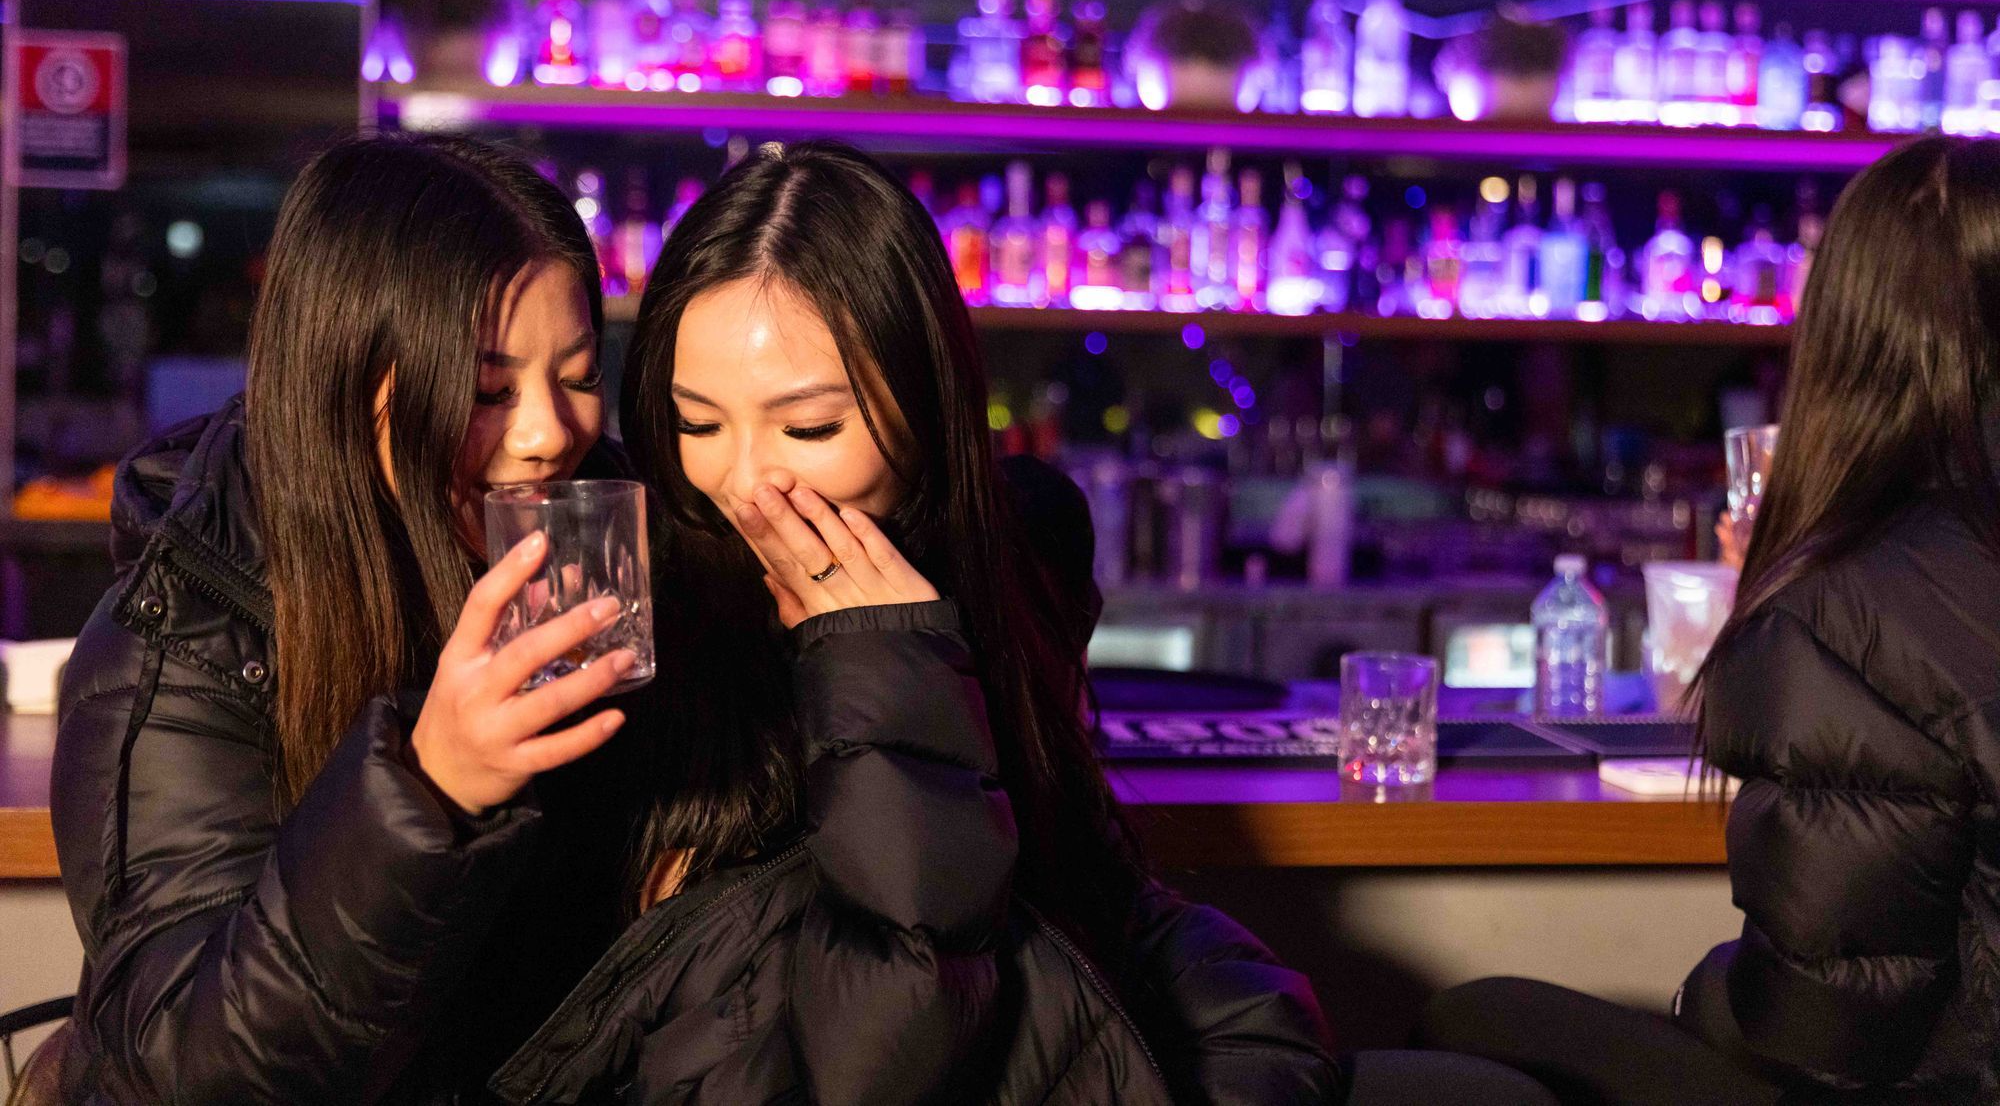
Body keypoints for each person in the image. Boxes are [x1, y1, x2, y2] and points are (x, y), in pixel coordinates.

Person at [491, 141, 1556, 1106]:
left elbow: (1077, 886)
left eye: (808, 424)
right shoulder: (629, 590)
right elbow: (868, 1041)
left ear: (924, 405)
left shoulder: (1009, 547)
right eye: (694, 422)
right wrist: (875, 654)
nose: (743, 479)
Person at [51, 134, 646, 1104]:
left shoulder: (597, 553)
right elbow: (196, 1067)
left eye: (577, 377)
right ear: (347, 382)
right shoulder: (178, 641)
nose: (549, 433)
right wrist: (426, 789)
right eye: (487, 389)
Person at [1419, 135, 2000, 1104]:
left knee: (1468, 1016)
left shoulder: (1846, 599)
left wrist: (1696, 1000)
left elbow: (1821, 1024)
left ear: (1849, 331)